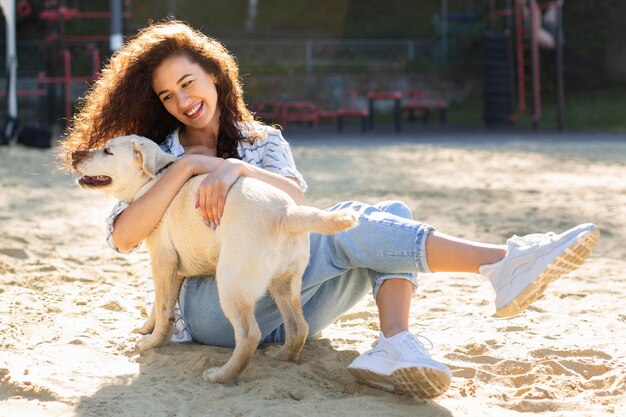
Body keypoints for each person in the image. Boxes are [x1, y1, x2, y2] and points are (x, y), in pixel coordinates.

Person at [61, 20, 599, 400]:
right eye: (166, 95)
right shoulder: (156, 156)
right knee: (363, 226)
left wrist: (236, 168)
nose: (181, 100)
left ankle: (395, 344)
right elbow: (126, 237)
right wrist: (189, 169)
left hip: (289, 296)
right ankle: (501, 262)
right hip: (213, 313)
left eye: (187, 83)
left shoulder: (261, 141)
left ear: (215, 77)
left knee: (386, 212)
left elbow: (293, 202)